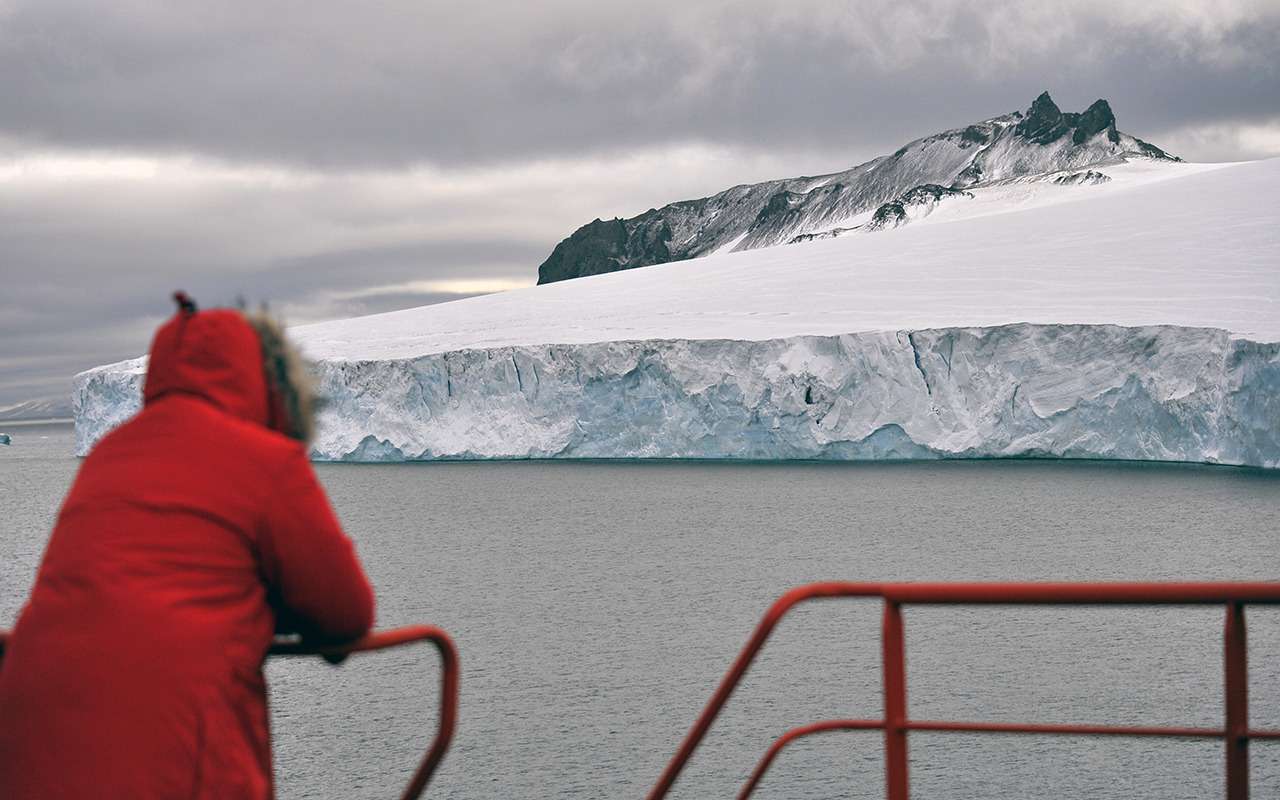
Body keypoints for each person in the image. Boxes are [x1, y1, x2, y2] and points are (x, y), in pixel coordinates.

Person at [0, 293, 375, 799]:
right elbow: (345, 613)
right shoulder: (265, 460)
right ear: (266, 381)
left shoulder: (108, 455)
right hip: (169, 758)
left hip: (27, 745)